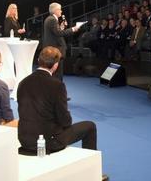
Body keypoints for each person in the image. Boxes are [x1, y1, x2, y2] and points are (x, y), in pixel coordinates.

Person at [17, 46, 105, 181]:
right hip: (47, 142)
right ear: (56, 66)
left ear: (39, 60)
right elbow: (65, 120)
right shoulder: (56, 85)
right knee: (90, 126)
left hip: (24, 139)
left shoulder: (23, 82)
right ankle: (92, 172)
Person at [41, 3, 81, 80]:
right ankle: (57, 89)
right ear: (55, 10)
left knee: (55, 72)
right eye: (60, 9)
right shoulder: (52, 20)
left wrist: (62, 27)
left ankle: (55, 88)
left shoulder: (50, 19)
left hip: (54, 49)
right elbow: (59, 33)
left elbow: (56, 32)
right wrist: (73, 29)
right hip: (55, 49)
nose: (61, 11)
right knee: (57, 73)